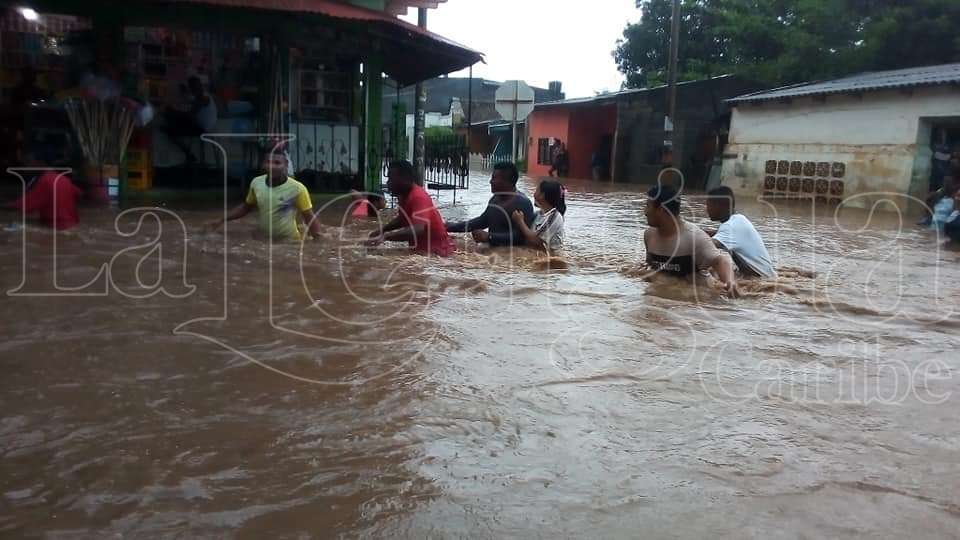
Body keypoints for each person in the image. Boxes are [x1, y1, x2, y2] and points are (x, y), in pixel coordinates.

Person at [644, 184, 739, 297]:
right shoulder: (649, 235)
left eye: (647, 206)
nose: (645, 212)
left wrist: (730, 282)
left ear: (660, 209)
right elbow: (650, 267)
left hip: (697, 299)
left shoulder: (694, 238)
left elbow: (720, 260)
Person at [206, 151, 320, 242]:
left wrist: (318, 240)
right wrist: (222, 219)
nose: (272, 166)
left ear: (285, 165)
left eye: (277, 163)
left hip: (289, 242)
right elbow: (246, 207)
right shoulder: (256, 183)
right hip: (263, 239)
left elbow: (309, 216)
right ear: (263, 164)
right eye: (268, 162)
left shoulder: (297, 189)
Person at [366, 160, 455, 256]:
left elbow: (418, 229)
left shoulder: (418, 197)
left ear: (405, 179)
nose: (388, 183)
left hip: (439, 254)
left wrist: (386, 236)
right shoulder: (403, 196)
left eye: (391, 179)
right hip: (422, 253)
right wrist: (381, 231)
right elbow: (402, 219)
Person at [446, 162, 536, 247]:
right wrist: (450, 227)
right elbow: (482, 221)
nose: (490, 181)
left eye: (494, 178)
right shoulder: (495, 199)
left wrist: (489, 237)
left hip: (509, 254)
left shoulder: (522, 203)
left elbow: (521, 236)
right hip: (493, 249)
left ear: (506, 181)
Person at [704, 186, 777, 279]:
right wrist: (699, 231)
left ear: (721, 206)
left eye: (709, 205)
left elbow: (706, 246)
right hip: (763, 276)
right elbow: (719, 234)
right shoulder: (739, 219)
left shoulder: (730, 226)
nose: (706, 209)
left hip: (759, 280)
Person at [7, 155, 81, 230]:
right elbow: (78, 193)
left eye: (29, 163)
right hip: (73, 224)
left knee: (12, 227)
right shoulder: (63, 178)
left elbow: (23, 205)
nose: (25, 166)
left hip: (56, 226)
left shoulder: (44, 181)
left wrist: (5, 206)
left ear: (40, 163)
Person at [163, 76, 218, 163]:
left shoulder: (203, 98)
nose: (192, 90)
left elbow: (190, 114)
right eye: (192, 87)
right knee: (172, 122)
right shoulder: (202, 96)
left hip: (203, 129)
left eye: (193, 87)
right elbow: (191, 102)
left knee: (169, 130)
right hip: (202, 127)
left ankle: (189, 155)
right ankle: (189, 155)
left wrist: (174, 112)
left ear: (199, 86)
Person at [511, 179, 566, 252]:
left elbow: (536, 240)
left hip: (550, 257)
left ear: (542, 195)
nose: (534, 194)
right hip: (537, 252)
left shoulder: (554, 217)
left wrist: (520, 221)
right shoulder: (538, 214)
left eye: (536, 190)